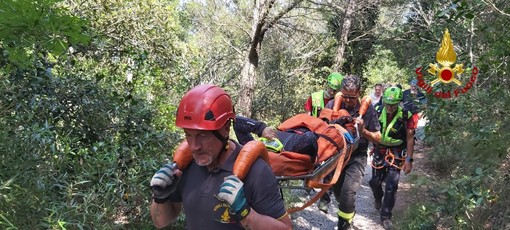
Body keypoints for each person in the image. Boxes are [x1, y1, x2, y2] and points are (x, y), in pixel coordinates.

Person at [149, 84, 292, 230]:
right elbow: (160, 222)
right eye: (188, 135)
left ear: (225, 129)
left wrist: (246, 215)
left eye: (202, 136)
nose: (194, 146)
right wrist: (160, 197)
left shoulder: (257, 171)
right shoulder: (185, 166)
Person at [324, 75, 381, 230]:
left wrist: (363, 131)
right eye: (345, 96)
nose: (348, 101)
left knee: (348, 191)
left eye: (352, 97)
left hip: (357, 155)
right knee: (339, 192)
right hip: (337, 156)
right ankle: (347, 212)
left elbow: (378, 138)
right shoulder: (332, 104)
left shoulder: (367, 110)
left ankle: (344, 225)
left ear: (358, 92)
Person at [369, 86, 418, 230]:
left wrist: (409, 160)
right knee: (374, 181)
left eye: (393, 105)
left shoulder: (406, 115)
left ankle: (386, 217)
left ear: (399, 103)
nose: (390, 108)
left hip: (396, 152)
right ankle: (378, 196)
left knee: (391, 185)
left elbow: (410, 138)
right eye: (387, 104)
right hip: (380, 150)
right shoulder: (377, 111)